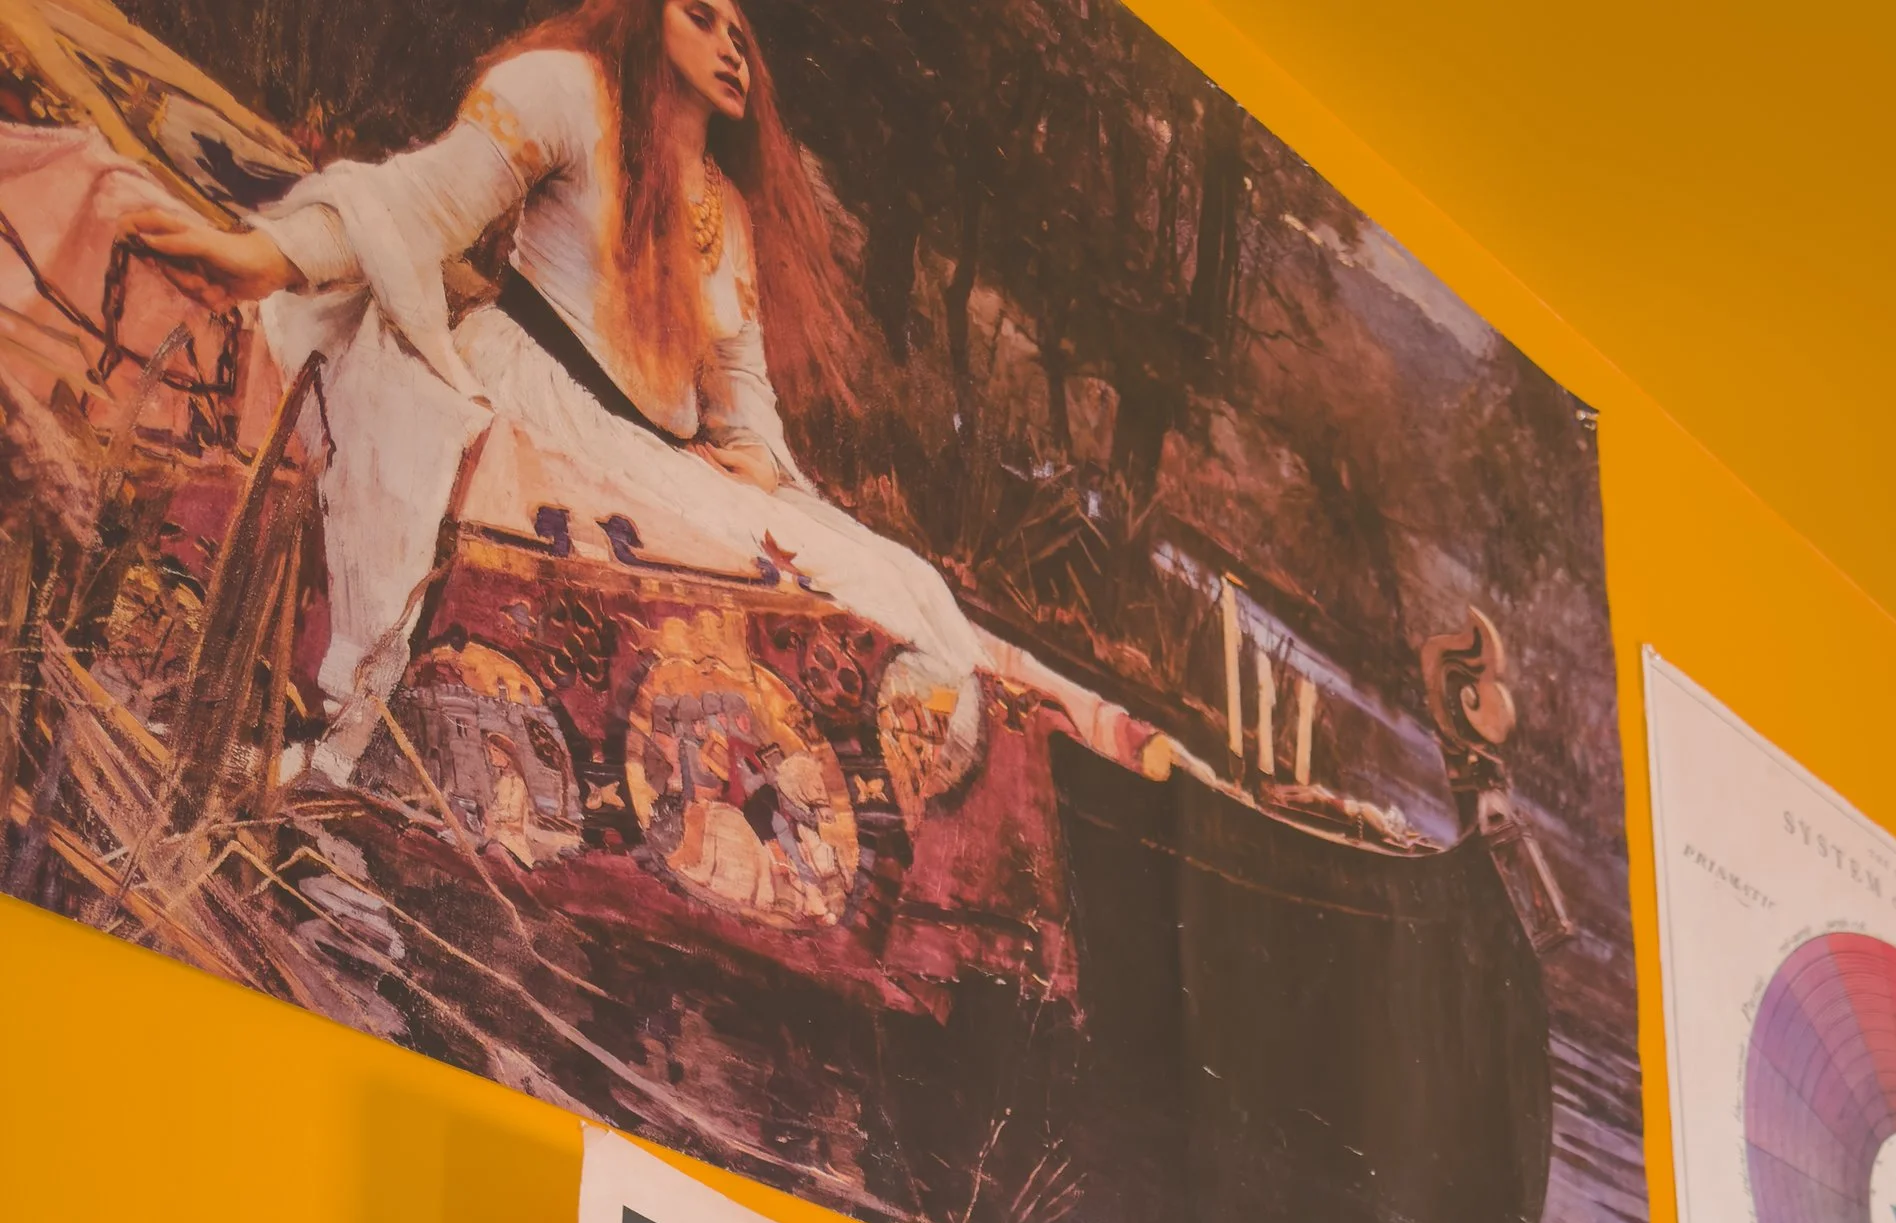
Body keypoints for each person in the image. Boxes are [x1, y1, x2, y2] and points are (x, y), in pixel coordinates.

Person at [112, 0, 1158, 783]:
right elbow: (415, 206)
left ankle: (1083, 734)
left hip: (650, 450)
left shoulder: (723, 209)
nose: (729, 43)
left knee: (894, 580)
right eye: (700, 15)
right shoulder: (566, 95)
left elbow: (739, 396)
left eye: (743, 33)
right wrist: (264, 254)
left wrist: (758, 462)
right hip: (527, 401)